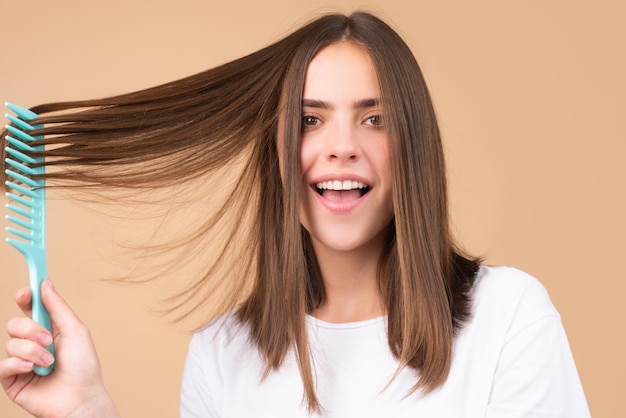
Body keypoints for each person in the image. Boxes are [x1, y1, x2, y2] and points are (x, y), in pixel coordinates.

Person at [0, 11, 590, 417]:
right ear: (278, 154)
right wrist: (87, 410)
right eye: (310, 120)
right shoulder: (222, 353)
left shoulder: (509, 319)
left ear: (415, 147)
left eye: (373, 118)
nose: (341, 146)